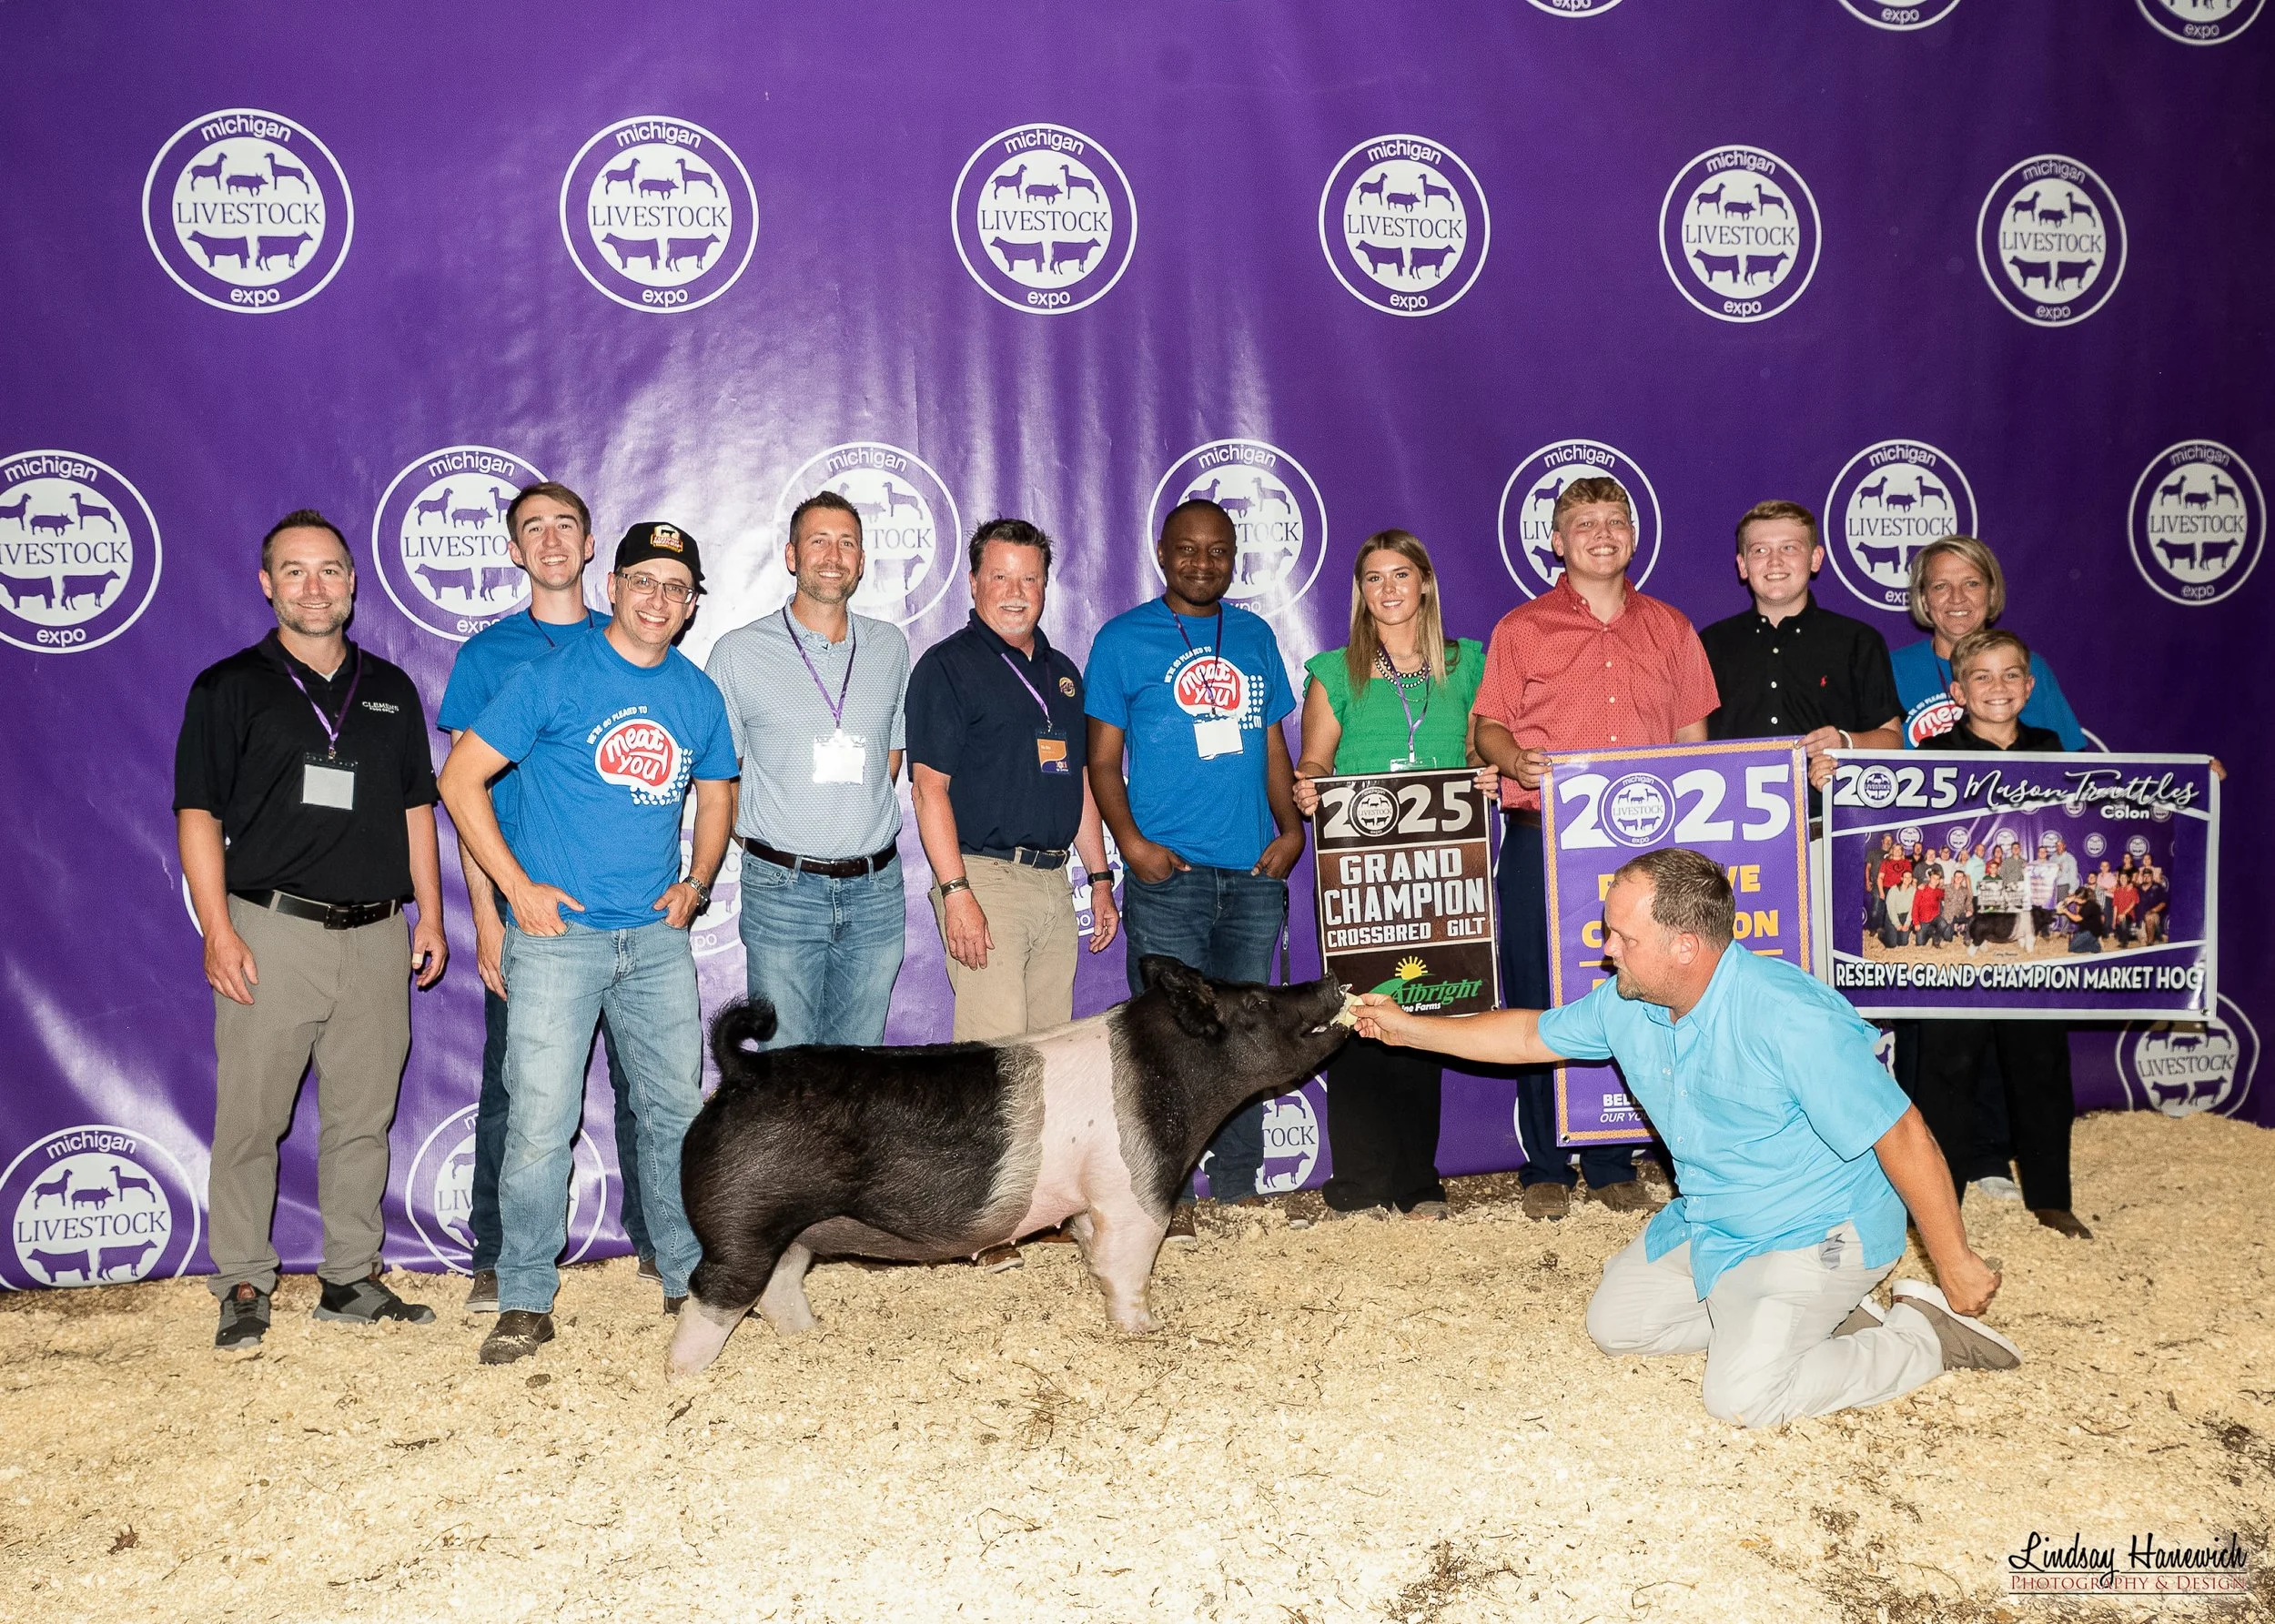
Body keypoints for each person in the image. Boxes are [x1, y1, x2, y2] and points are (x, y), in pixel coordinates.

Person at [1354, 848, 2018, 1428]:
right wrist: (1410, 1028)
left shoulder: (1786, 1015)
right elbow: (1531, 1035)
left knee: (1743, 1396)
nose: (1606, 949)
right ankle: (1814, 1320)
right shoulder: (1628, 1001)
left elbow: (1903, 1130)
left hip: (1820, 1228)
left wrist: (1952, 1258)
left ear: (1685, 946)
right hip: (1716, 1220)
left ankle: (1922, 1336)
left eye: (1621, 936)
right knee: (1616, 1327)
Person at [438, 523, 737, 1363]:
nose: (658, 599)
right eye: (644, 581)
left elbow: (719, 794)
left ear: (688, 608)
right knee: (539, 1122)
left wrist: (700, 879)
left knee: (677, 1111)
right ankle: (526, 1294)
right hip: (559, 939)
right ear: (613, 584)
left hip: (653, 939)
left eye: (676, 589)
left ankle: (686, 1273)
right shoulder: (553, 676)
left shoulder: (696, 693)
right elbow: (460, 780)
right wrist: (516, 890)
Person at [174, 509, 447, 1354]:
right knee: (252, 1118)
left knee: (363, 1118)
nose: (314, 587)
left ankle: (350, 1277)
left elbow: (415, 809)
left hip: (376, 935)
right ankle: (245, 1278)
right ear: (267, 585)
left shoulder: (391, 688)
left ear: (353, 584)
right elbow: (196, 814)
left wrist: (430, 912)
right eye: (295, 572)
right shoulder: (229, 687)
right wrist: (218, 930)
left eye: (330, 570)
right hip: (272, 929)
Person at [1471, 476, 1719, 1220]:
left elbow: (1691, 740)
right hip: (1542, 838)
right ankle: (1544, 1161)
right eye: (1584, 522)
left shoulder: (1672, 628)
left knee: (1640, 993)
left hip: (1643, 852)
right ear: (1557, 539)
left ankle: (1615, 1156)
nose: (1601, 533)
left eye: (1615, 520)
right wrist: (1512, 758)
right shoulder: (1523, 628)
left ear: (1633, 537)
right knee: (1542, 993)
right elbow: (1487, 726)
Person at [435, 481, 654, 1314]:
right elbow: (466, 793)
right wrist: (487, 917)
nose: (553, 539)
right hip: (530, 913)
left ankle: (655, 1237)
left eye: (566, 524)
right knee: (516, 1090)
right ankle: (497, 1250)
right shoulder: (486, 658)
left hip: (626, 913)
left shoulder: (628, 639)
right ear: (514, 552)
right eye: (534, 529)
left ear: (592, 544)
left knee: (645, 1085)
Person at [1086, 498, 1305, 1233]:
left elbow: (1274, 745)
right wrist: (1132, 845)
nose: (1202, 562)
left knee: (1246, 1034)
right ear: (1161, 552)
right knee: (1167, 1040)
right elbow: (1103, 759)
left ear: (1233, 556)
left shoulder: (1253, 635)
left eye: (1217, 550)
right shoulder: (1123, 640)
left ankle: (1241, 1186)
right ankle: (1162, 1194)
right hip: (1167, 877)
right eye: (1188, 549)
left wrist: (1292, 828)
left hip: (1251, 875)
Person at [906, 518, 1120, 1270]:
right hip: (983, 873)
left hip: (1052, 877)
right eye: (1000, 577)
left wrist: (1099, 876)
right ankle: (978, 1223)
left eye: (1029, 578)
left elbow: (1084, 787)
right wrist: (955, 889)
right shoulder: (946, 667)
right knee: (991, 1061)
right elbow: (928, 786)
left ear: (1045, 585)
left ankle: (1034, 1211)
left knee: (1046, 1062)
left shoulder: (1063, 674)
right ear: (973, 583)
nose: (1015, 593)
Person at [1290, 530, 1494, 1222]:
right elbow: (1315, 759)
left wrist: (1487, 776)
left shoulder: (1469, 665)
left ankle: (1418, 1180)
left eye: (1401, 574)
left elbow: (1477, 748)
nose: (1388, 589)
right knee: (1361, 1013)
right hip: (1360, 872)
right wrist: (1311, 786)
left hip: (1440, 867)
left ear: (1426, 583)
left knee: (1426, 1011)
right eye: (1373, 578)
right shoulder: (1333, 670)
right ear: (1361, 591)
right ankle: (1358, 1181)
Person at [704, 492, 911, 1048]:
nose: (833, 554)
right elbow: (720, 777)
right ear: (792, 555)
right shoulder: (739, 652)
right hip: (782, 890)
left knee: (859, 1074)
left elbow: (890, 758)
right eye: (818, 540)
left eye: (847, 543)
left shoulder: (891, 648)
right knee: (784, 1077)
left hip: (875, 891)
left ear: (862, 561)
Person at [1908, 629, 2091, 1241]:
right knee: (1947, 1070)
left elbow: (2124, 796)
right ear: (1957, 690)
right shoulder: (1930, 756)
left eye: (2011, 674)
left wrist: (2196, 775)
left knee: (2040, 1065)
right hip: (1962, 940)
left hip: (2030, 932)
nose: (1998, 687)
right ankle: (1938, 1204)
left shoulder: (2054, 752)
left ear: (2030, 685)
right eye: (1982, 676)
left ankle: (2051, 1197)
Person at [1699, 500, 1901, 796]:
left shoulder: (1858, 640)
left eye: (1789, 548)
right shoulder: (1710, 644)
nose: (1775, 561)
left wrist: (1845, 742)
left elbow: (1893, 741)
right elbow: (1690, 743)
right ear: (1743, 565)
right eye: (1760, 550)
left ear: (1815, 559)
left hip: (1827, 826)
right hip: (1734, 828)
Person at [1890, 537, 2087, 750]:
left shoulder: (2030, 666)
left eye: (1971, 584)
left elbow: (2069, 771)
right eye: (1940, 586)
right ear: (1924, 599)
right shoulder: (1891, 670)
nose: (1957, 598)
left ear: (1992, 593)